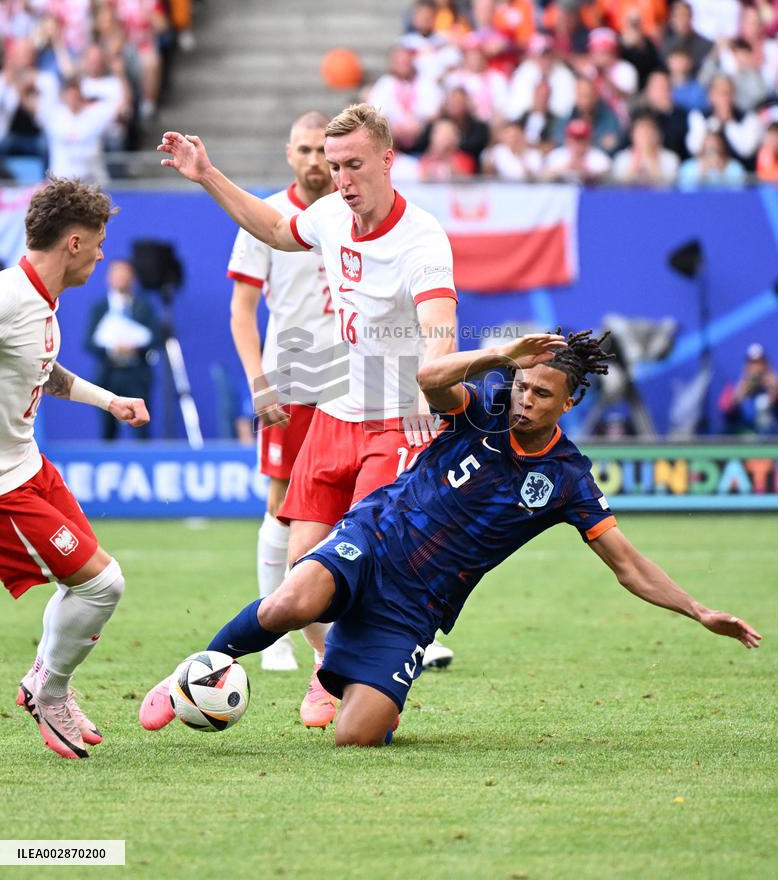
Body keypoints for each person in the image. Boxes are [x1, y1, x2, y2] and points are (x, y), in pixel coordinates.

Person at [139, 331, 761, 747]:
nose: (524, 401)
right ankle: (184, 678)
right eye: (523, 386)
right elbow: (431, 378)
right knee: (287, 603)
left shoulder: (568, 479)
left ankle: (355, 676)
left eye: (542, 395)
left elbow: (628, 565)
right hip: (375, 538)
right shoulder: (486, 403)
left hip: (417, 608)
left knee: (355, 739)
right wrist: (499, 356)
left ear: (568, 403)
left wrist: (698, 610)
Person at [152, 104, 458, 729]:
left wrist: (429, 389)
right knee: (303, 573)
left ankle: (363, 673)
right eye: (335, 164)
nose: (342, 178)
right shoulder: (329, 216)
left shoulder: (423, 239)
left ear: (387, 160)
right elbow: (271, 225)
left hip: (395, 421)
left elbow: (439, 329)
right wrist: (208, 173)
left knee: (353, 566)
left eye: (354, 165)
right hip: (333, 413)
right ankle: (324, 675)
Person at [1, 177, 149, 760]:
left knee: (92, 584)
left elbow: (45, 370)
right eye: (100, 242)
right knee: (102, 583)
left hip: (31, 465)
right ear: (74, 242)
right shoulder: (11, 297)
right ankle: (51, 688)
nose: (103, 254)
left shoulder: (40, 303)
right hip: (5, 488)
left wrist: (109, 400)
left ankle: (44, 678)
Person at [226, 112, 336, 672]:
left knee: (370, 508)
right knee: (282, 506)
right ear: (288, 153)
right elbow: (242, 311)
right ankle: (276, 633)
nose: (315, 160)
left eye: (323, 149)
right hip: (291, 383)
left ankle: (378, 628)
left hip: (356, 387)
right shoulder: (266, 216)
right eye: (305, 150)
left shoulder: (356, 211)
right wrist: (258, 382)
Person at [84, 258, 159, 440]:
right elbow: (88, 343)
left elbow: (155, 338)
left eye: (125, 275)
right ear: (108, 278)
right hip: (108, 375)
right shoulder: (99, 308)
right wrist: (112, 348)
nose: (120, 278)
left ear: (132, 278)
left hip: (136, 375)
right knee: (108, 430)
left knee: (141, 430)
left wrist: (135, 347)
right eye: (116, 274)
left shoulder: (144, 306)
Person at [719, 343, 778, 434]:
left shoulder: (773, 383)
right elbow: (725, 409)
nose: (756, 367)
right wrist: (740, 393)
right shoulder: (736, 384)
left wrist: (773, 389)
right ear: (746, 365)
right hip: (745, 436)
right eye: (752, 363)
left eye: (759, 362)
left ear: (766, 364)